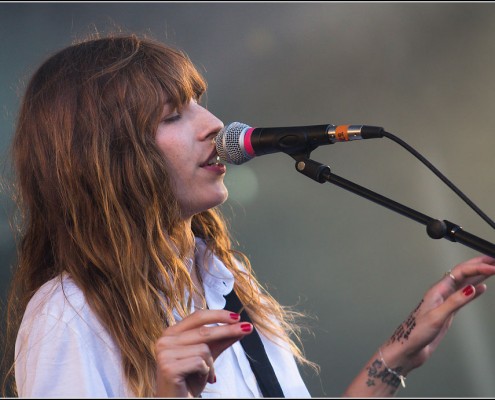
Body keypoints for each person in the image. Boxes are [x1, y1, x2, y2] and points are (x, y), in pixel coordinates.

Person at [3, 32, 495, 398]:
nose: (214, 124)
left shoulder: (226, 280)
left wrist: (396, 357)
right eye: (171, 115)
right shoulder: (68, 314)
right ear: (104, 156)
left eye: (197, 102)